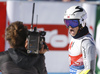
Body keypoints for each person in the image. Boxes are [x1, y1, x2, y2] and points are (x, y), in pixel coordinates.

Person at [64, 6, 96, 74]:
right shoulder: (75, 38)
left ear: (82, 23)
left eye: (73, 23)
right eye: (67, 23)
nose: (70, 27)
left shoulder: (86, 42)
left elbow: (89, 71)